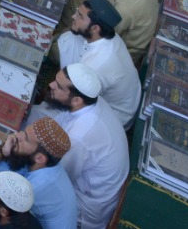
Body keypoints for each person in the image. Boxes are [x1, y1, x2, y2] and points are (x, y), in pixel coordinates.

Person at [37, 64, 127, 229]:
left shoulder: (80, 136)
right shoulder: (89, 102)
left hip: (87, 208)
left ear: (76, 100)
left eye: (58, 85)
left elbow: (57, 176)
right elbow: (61, 121)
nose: (51, 85)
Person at [52, 0, 140, 127]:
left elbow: (77, 101)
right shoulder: (110, 35)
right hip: (127, 98)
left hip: (114, 116)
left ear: (95, 28)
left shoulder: (95, 65)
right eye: (76, 12)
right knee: (70, 37)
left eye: (80, 16)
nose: (73, 17)